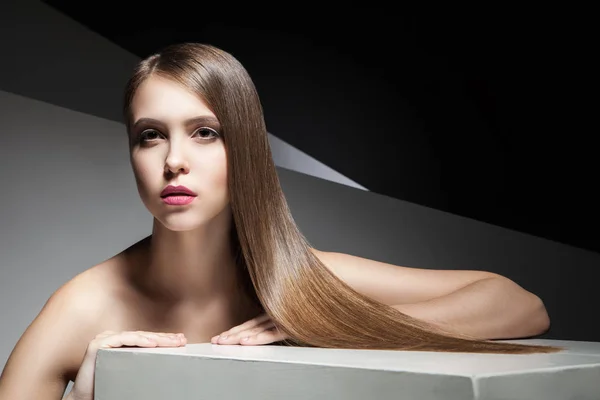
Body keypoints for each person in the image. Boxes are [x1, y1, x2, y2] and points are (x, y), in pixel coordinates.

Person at [0, 42, 561, 400]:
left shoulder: (302, 279)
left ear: (244, 147)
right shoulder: (85, 305)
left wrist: (324, 328)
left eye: (205, 132)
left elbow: (519, 305)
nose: (173, 159)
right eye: (150, 135)